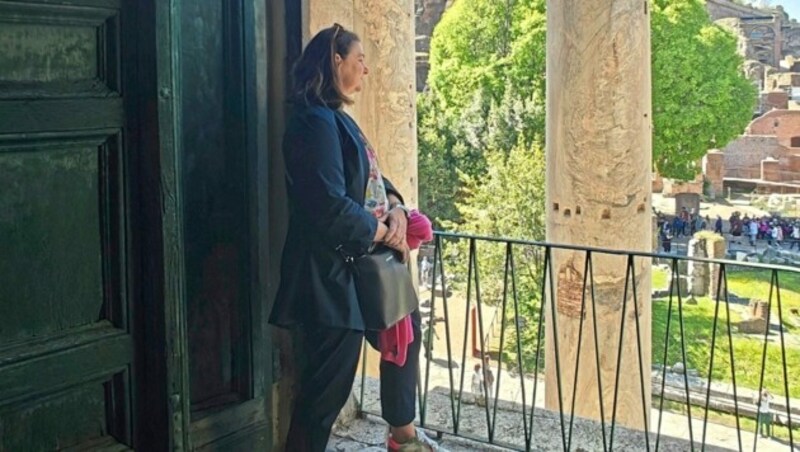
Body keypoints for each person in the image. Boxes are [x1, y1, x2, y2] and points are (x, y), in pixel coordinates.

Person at [269, 24, 444, 452]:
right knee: (323, 397)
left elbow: (372, 183)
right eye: (359, 58)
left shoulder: (335, 120)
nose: (366, 68)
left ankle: (401, 434)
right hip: (329, 280)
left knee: (406, 326)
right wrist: (385, 233)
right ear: (335, 61)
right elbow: (328, 203)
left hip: (353, 273)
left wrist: (399, 208)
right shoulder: (313, 123)